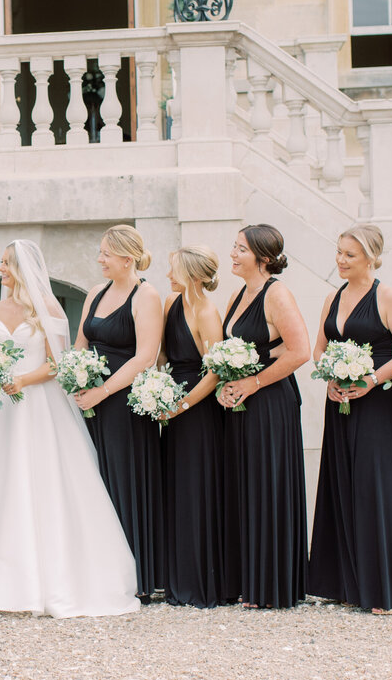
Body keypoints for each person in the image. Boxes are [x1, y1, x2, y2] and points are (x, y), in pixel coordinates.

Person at [0, 240, 141, 617]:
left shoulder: (47, 308)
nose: (2, 271)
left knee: (42, 483)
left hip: (37, 405)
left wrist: (23, 381)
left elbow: (58, 364)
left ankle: (47, 583)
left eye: (5, 265)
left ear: (21, 268)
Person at [308, 225, 392, 614]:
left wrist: (370, 379)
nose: (340, 260)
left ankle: (386, 591)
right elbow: (318, 349)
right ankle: (345, 583)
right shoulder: (332, 297)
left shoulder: (388, 297)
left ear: (370, 257)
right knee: (342, 484)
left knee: (376, 488)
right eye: (338, 252)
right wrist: (329, 379)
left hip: (378, 406)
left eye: (349, 255)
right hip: (340, 402)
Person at [217, 224, 309, 609]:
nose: (234, 254)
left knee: (266, 487)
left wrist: (253, 383)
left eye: (242, 249)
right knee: (245, 486)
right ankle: (248, 580)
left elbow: (300, 350)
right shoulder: (239, 293)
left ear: (264, 258)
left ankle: (272, 586)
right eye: (234, 247)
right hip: (241, 402)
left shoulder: (277, 294)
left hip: (270, 404)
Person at [74, 224, 163, 600]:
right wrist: (75, 377)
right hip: (87, 401)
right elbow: (81, 343)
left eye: (106, 254)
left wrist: (103, 391)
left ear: (128, 258)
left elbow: (146, 356)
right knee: (90, 481)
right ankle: (95, 571)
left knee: (123, 483)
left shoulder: (147, 296)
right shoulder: (96, 292)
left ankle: (133, 578)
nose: (100, 260)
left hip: (123, 405)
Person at [158, 245, 228, 608]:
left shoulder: (207, 311)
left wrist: (180, 406)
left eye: (175, 270)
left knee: (196, 490)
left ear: (194, 275)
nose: (169, 275)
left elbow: (215, 372)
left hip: (198, 412)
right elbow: (164, 356)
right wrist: (156, 390)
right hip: (171, 406)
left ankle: (200, 583)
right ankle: (176, 580)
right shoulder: (171, 303)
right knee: (176, 490)